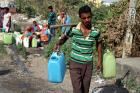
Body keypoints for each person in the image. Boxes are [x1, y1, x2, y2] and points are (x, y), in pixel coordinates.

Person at [54, 5, 102, 93]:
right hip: (75, 64)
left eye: (89, 17)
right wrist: (58, 44)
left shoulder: (96, 31)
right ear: (80, 18)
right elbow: (65, 38)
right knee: (77, 90)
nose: (87, 20)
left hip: (88, 65)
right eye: (84, 18)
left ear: (91, 16)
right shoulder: (74, 30)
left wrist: (99, 60)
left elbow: (99, 44)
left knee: (85, 90)